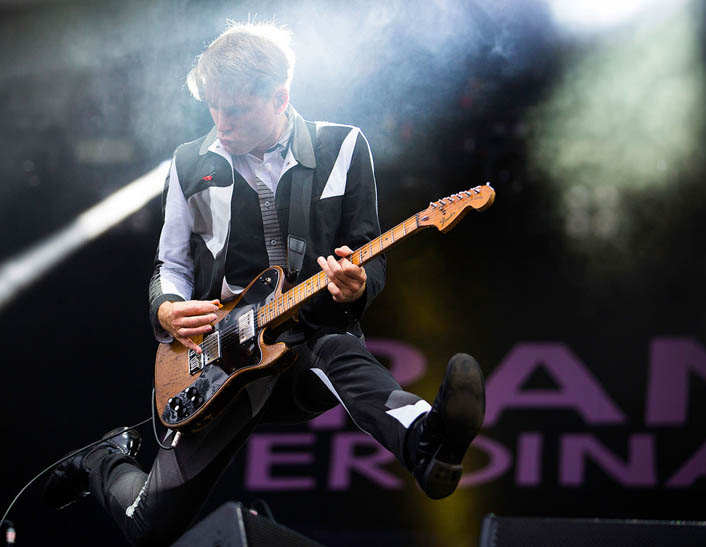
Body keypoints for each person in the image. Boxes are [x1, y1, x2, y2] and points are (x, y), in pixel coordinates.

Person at [43, 20, 485, 546]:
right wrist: (166, 309)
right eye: (214, 106)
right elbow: (170, 264)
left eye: (236, 109)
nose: (221, 123)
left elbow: (369, 249)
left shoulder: (342, 147)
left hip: (305, 343)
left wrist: (356, 286)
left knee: (339, 350)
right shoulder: (189, 163)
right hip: (218, 357)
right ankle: (104, 458)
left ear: (281, 97)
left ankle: (427, 441)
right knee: (149, 529)